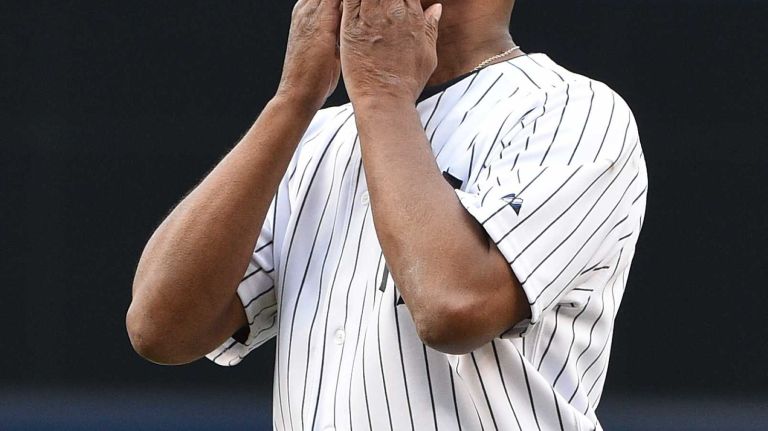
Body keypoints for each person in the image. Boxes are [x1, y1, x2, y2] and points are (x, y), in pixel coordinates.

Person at [127, 0, 647, 429]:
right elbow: (160, 328)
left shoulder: (570, 111)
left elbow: (453, 307)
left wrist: (380, 92)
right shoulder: (317, 141)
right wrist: (294, 97)